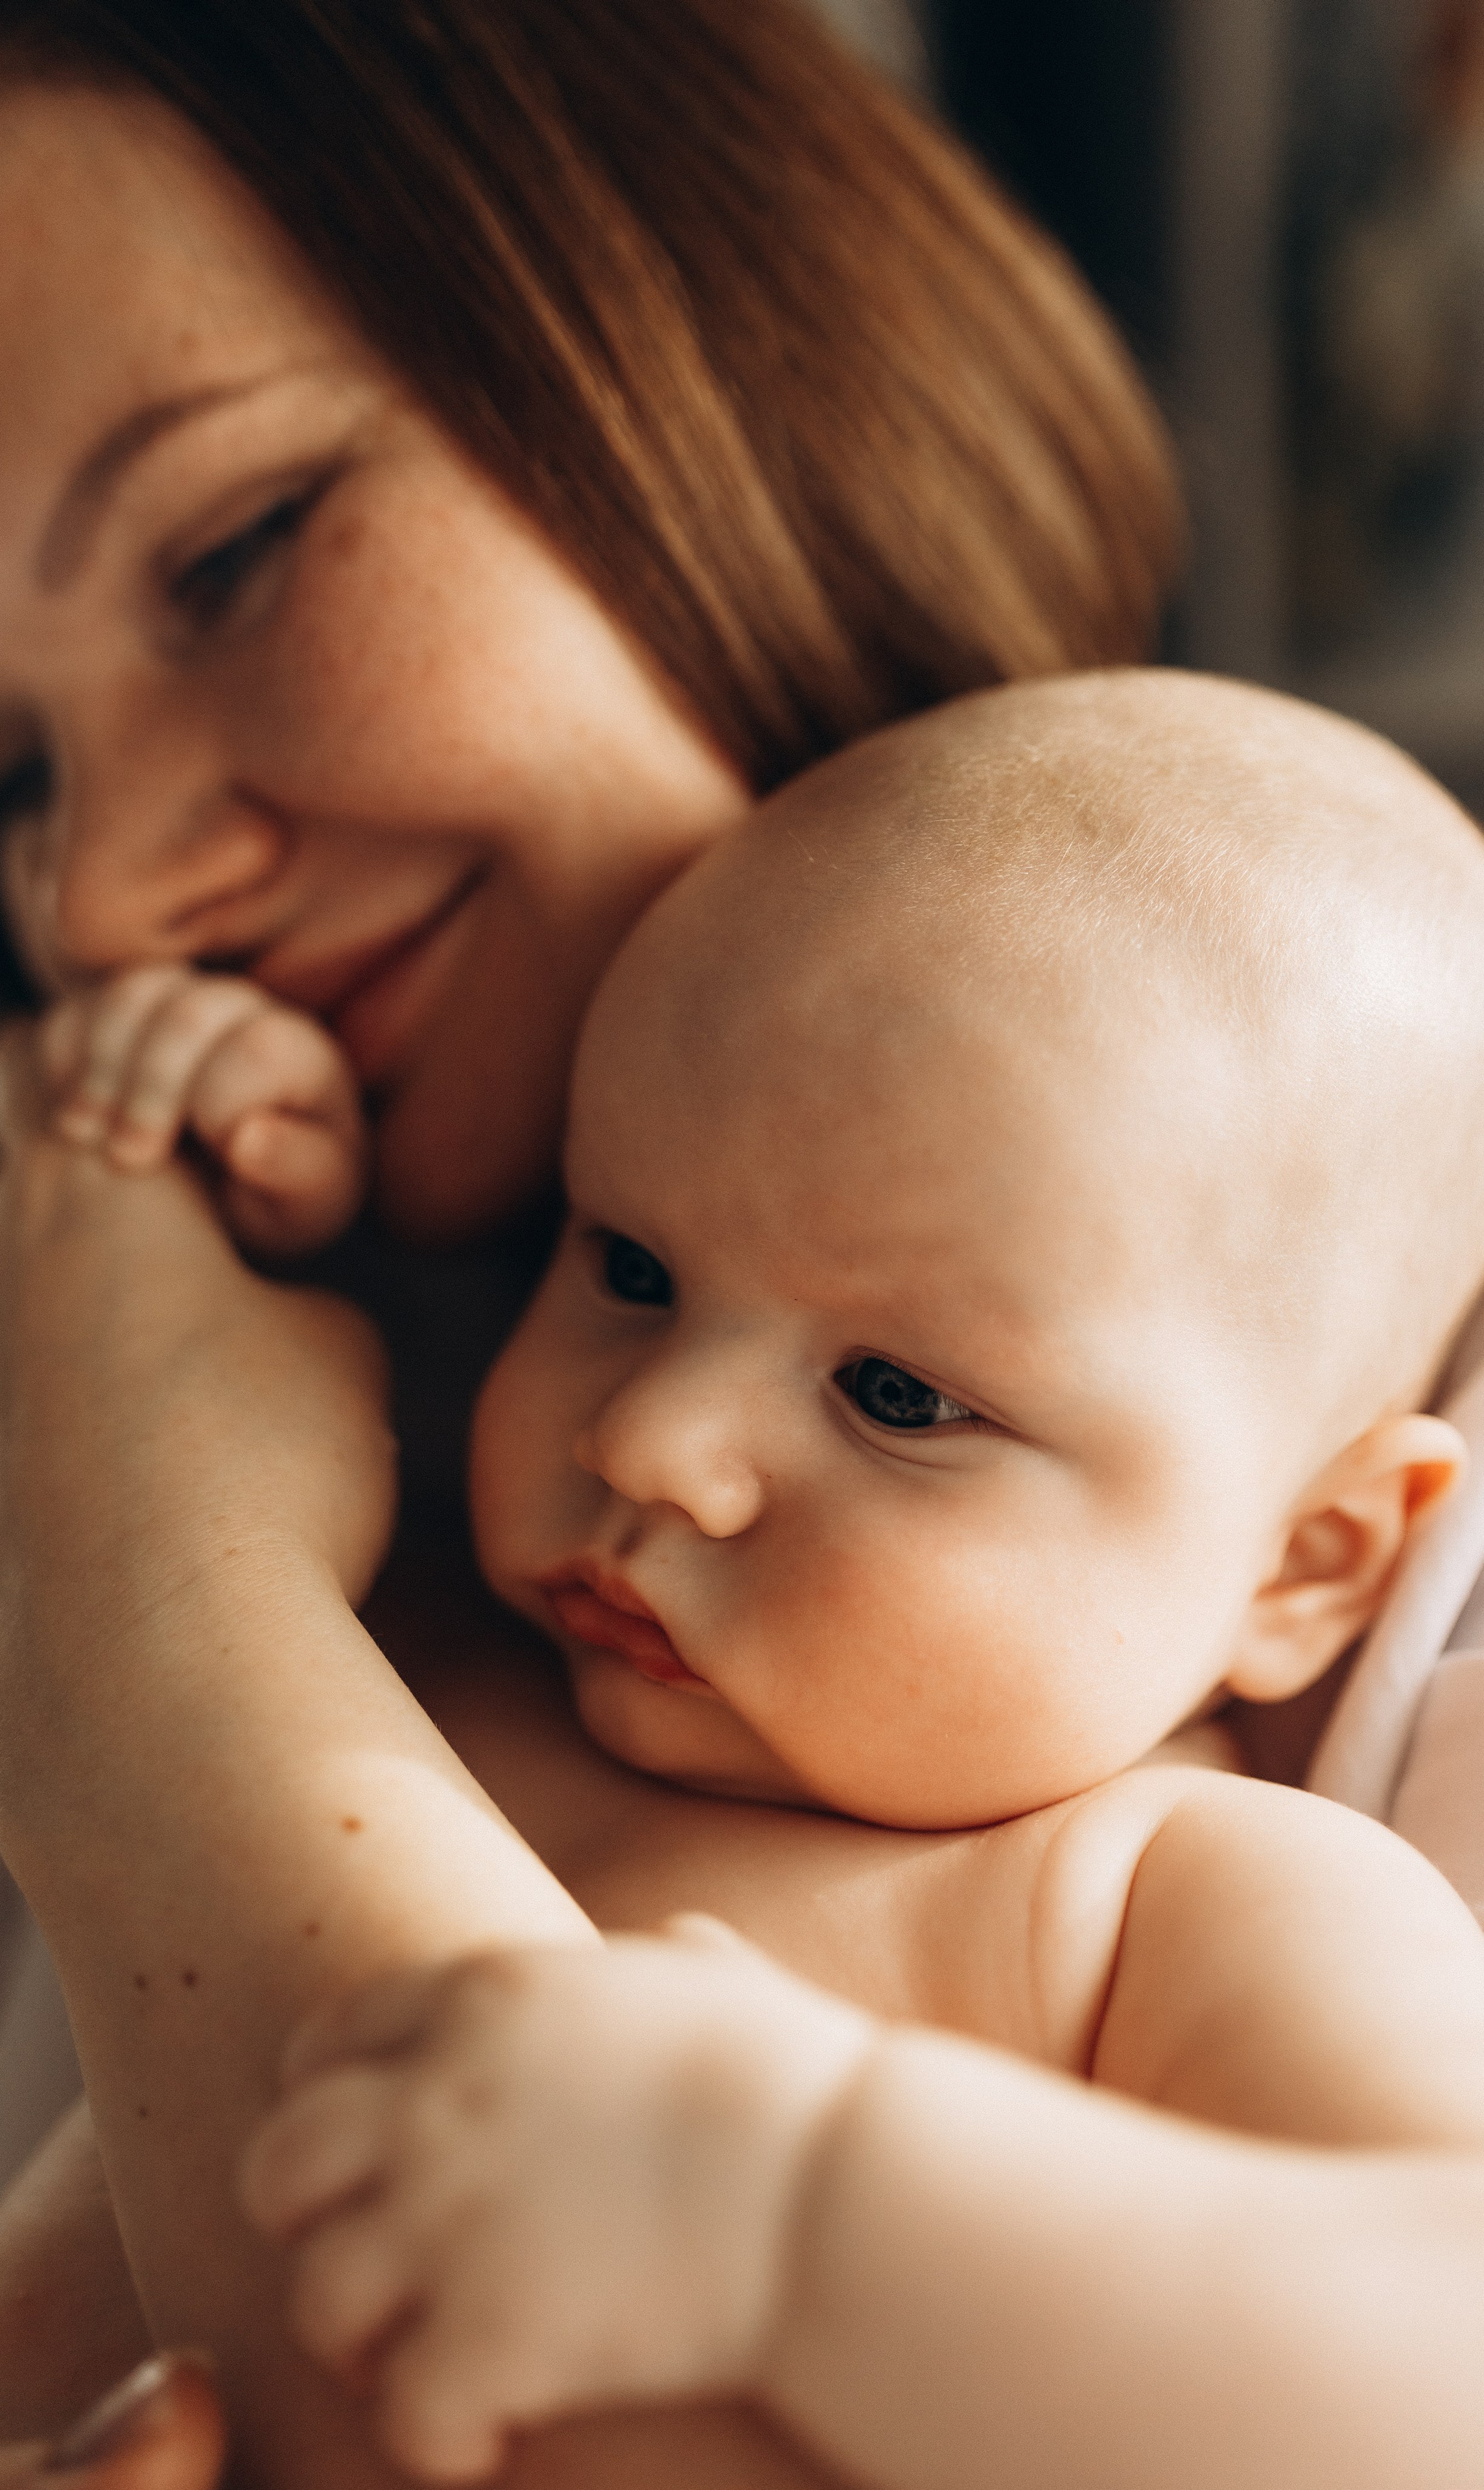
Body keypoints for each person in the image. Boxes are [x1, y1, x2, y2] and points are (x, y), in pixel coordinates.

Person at [0, 0, 1188, 2482]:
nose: (112, 894)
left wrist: (140, 1624)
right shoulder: (25, 1380)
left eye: (235, 554)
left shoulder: (1384, 1392)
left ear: (725, 337)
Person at [231, 669, 1484, 2487]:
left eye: (899, 1395)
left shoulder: (1164, 1896)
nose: (649, 1441)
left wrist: (800, 2203)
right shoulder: (434, 1654)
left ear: (1304, 1563)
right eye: (632, 1265)